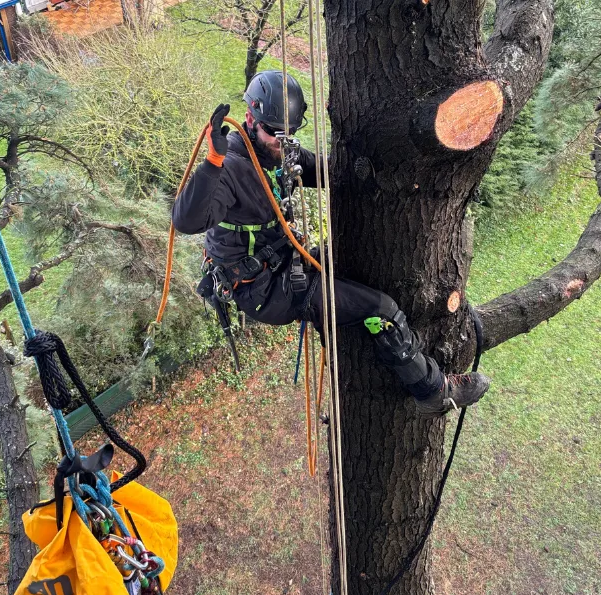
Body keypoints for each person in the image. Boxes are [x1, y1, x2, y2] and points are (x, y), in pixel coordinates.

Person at [172, 70, 489, 416]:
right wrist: (212, 163)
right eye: (275, 133)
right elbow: (186, 220)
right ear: (250, 119)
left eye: (290, 133)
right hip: (265, 291)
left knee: (358, 260)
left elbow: (325, 171)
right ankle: (432, 391)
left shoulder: (282, 153)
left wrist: (384, 170)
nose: (284, 141)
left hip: (286, 263)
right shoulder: (230, 169)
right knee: (380, 310)